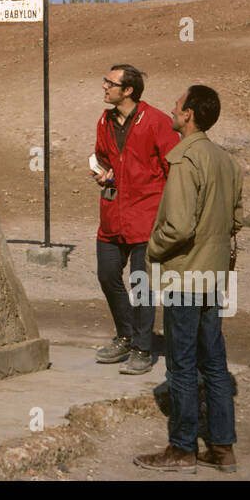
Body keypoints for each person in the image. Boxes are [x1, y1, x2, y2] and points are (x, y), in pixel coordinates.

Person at [133, 85, 243, 474]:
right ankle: (222, 448)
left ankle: (181, 449)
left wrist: (152, 249)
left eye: (178, 106)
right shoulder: (226, 161)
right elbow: (236, 219)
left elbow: (178, 227)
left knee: (180, 366)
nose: (172, 110)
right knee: (213, 364)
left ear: (189, 115)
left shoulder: (185, 159)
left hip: (185, 278)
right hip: (214, 276)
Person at [91, 64, 180, 375]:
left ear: (128, 90)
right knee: (107, 274)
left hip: (147, 216)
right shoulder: (104, 120)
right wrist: (104, 174)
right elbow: (103, 155)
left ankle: (142, 348)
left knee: (141, 284)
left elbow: (175, 170)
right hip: (113, 215)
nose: (104, 87)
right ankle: (126, 335)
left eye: (110, 83)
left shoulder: (157, 121)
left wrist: (168, 214)